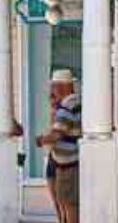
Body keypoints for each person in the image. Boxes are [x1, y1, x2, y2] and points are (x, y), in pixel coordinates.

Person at [36, 70, 81, 223]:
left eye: (54, 86)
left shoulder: (66, 108)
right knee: (67, 204)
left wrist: (41, 140)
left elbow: (57, 134)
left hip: (68, 164)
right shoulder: (78, 104)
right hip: (70, 163)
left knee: (69, 205)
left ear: (61, 87)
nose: (53, 90)